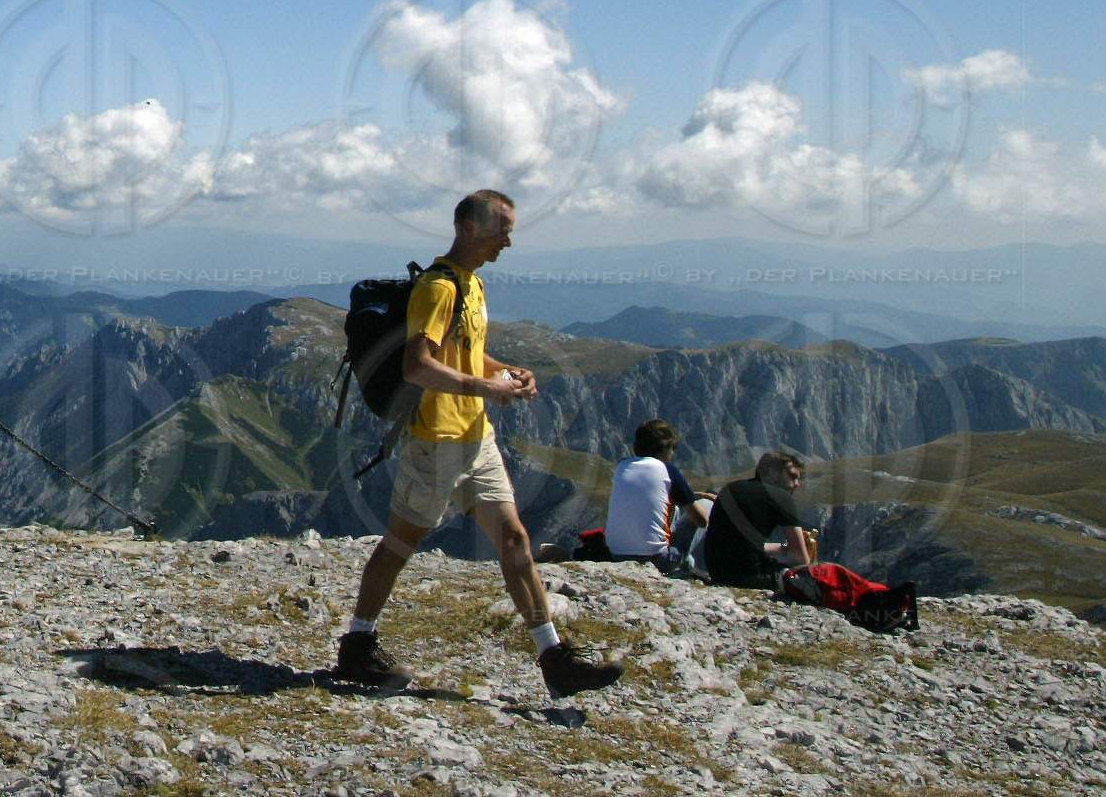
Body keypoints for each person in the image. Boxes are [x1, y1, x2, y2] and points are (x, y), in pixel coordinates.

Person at [331, 190, 623, 699]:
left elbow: (467, 354)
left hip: (475, 436)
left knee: (514, 539)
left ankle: (554, 659)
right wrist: (486, 388)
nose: (507, 241)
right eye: (500, 230)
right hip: (435, 441)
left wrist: (508, 372)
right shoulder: (438, 289)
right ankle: (357, 644)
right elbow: (416, 366)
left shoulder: (473, 285)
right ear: (468, 228)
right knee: (400, 544)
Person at [601, 418, 713, 573]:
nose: (673, 453)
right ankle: (686, 567)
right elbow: (701, 520)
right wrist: (699, 499)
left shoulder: (622, 465)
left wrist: (690, 495)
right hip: (658, 560)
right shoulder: (668, 470)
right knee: (706, 505)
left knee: (673, 509)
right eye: (673, 448)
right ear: (665, 449)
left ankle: (686, 565)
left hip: (616, 555)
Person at [702, 449, 819, 590]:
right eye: (792, 476)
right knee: (807, 578)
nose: (797, 484)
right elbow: (801, 559)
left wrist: (782, 548)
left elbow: (741, 544)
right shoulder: (781, 497)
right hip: (751, 577)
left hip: (717, 572)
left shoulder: (730, 488)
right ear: (773, 472)